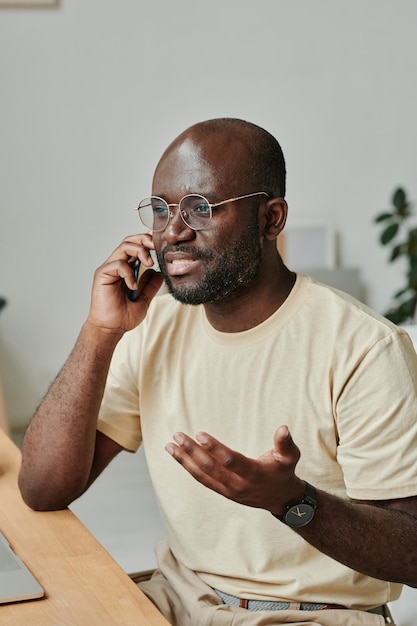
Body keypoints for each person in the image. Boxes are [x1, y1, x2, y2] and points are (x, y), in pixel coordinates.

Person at [19, 118, 417, 626]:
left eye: (200, 209)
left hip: (315, 615)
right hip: (180, 596)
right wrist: (100, 332)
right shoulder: (154, 323)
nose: (173, 232)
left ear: (271, 219)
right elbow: (42, 488)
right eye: (161, 209)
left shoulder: (366, 347)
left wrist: (295, 502)